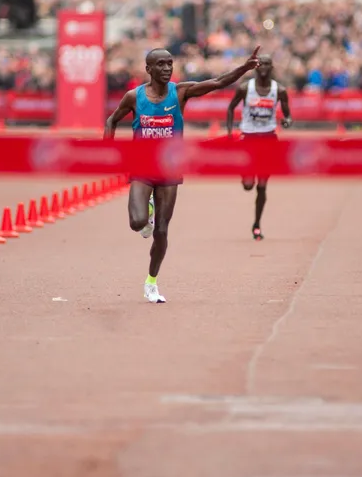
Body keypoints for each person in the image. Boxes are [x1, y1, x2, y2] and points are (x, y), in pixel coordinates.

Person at [104, 46, 261, 303]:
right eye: (161, 65)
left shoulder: (180, 92)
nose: (167, 69)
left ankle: (151, 282)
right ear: (148, 69)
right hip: (142, 167)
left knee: (162, 232)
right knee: (137, 222)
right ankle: (148, 212)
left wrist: (244, 68)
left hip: (169, 169)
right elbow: (111, 120)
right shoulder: (134, 97)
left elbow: (219, 82)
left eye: (170, 64)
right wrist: (108, 154)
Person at [225, 54, 292, 241]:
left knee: (262, 186)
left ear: (272, 67)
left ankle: (256, 224)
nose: (263, 67)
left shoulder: (280, 90)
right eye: (260, 64)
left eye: (267, 64)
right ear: (256, 67)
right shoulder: (246, 88)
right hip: (248, 138)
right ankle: (245, 172)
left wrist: (287, 121)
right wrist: (230, 133)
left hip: (269, 139)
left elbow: (288, 115)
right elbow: (231, 108)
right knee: (248, 185)